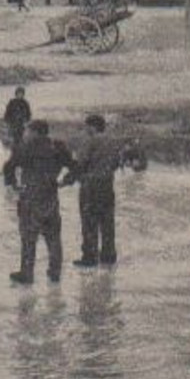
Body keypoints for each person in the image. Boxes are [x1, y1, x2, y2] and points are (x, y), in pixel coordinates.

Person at [3, 119, 76, 285]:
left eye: (27, 131)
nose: (25, 133)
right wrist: (66, 181)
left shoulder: (24, 147)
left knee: (29, 237)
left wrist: (13, 185)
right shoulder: (57, 147)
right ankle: (54, 273)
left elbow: (8, 167)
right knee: (54, 237)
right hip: (50, 196)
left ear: (35, 132)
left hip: (30, 197)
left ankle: (27, 274)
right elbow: (75, 167)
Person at [72, 114, 124, 267]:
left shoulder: (90, 141)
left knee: (89, 222)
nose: (85, 129)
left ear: (92, 126)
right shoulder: (113, 142)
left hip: (90, 186)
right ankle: (108, 256)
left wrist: (69, 179)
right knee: (107, 222)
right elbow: (116, 164)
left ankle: (90, 256)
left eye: (87, 126)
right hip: (107, 185)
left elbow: (81, 163)